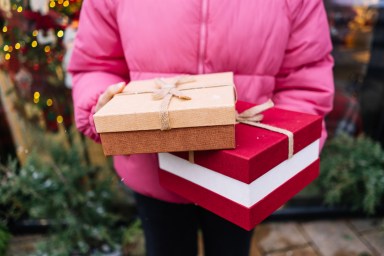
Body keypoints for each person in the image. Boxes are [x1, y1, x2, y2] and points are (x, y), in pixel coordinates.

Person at [68, 1, 334, 255]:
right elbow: (95, 63)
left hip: (241, 176)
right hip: (154, 169)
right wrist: (102, 106)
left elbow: (305, 79)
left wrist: (282, 160)